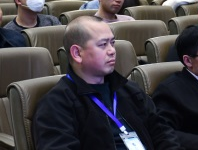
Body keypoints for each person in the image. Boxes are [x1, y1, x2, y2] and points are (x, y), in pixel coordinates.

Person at [33, 16, 181, 149]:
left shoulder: (130, 89)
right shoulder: (56, 104)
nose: (112, 51)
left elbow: (163, 134)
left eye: (112, 43)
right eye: (103, 44)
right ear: (77, 53)